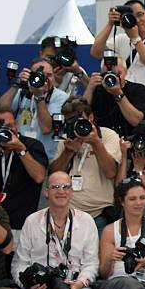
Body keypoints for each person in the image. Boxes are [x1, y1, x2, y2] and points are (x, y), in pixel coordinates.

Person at [11, 171, 99, 289]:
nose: (61, 191)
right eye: (55, 187)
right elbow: (19, 264)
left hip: (75, 282)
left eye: (66, 187)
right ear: (46, 192)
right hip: (40, 286)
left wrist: (80, 283)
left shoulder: (86, 221)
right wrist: (29, 284)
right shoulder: (32, 221)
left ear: (72, 191)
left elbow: (91, 263)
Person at [91, 0, 145, 123]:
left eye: (140, 15)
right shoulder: (120, 40)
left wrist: (135, 38)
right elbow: (95, 52)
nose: (137, 21)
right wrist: (110, 24)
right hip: (121, 111)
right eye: (132, 17)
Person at [49, 97, 121, 232]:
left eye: (79, 120)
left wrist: (96, 143)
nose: (76, 125)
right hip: (68, 213)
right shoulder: (67, 137)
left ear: (91, 118)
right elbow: (54, 175)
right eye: (71, 121)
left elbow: (111, 172)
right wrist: (68, 151)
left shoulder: (107, 136)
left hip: (98, 215)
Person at [0, 104, 47, 244]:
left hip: (25, 222)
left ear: (16, 124)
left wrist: (20, 149)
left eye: (10, 125)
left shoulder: (32, 145)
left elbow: (39, 177)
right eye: (2, 128)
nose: (7, 131)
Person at [0, 58, 70, 159]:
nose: (44, 79)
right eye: (39, 75)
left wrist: (39, 97)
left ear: (54, 77)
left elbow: (46, 128)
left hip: (45, 156)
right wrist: (16, 84)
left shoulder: (61, 97)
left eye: (49, 75)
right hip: (19, 155)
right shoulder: (22, 93)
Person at [84, 55, 145, 137]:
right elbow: (81, 115)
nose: (112, 78)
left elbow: (136, 121)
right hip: (102, 139)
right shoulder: (97, 89)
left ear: (126, 72)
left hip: (130, 139)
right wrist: (90, 88)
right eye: (107, 74)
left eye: (117, 74)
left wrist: (118, 93)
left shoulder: (138, 89)